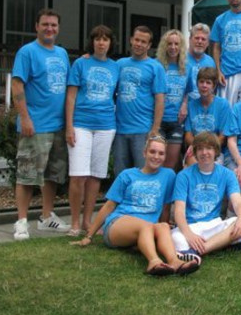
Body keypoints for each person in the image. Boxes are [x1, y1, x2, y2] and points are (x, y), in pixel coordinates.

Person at [72, 136, 200, 276]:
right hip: (118, 223)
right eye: (152, 152)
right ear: (144, 153)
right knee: (146, 225)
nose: (156, 156)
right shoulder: (127, 175)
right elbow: (109, 206)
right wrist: (89, 236)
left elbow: (166, 207)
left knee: (163, 226)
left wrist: (163, 227)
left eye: (161, 153)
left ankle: (175, 262)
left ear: (165, 157)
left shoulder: (168, 175)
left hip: (147, 228)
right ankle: (154, 262)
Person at [11, 8, 70, 240]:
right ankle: (22, 221)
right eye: (45, 24)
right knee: (27, 175)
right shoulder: (27, 52)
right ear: (37, 26)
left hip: (58, 126)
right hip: (35, 125)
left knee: (52, 175)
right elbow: (17, 85)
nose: (49, 29)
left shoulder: (62, 54)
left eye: (54, 25)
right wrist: (25, 118)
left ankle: (46, 217)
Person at [65, 25, 120, 236]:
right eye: (97, 39)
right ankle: (75, 222)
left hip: (106, 125)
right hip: (81, 124)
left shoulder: (116, 67)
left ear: (110, 43)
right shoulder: (81, 63)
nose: (101, 42)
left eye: (105, 39)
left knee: (96, 175)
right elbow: (70, 96)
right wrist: (69, 126)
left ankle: (88, 221)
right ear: (92, 42)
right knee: (78, 175)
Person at [171, 132, 241, 256]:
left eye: (209, 148)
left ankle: (199, 250)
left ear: (216, 151)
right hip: (192, 226)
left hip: (214, 224)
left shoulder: (227, 174)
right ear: (195, 152)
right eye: (200, 149)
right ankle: (226, 242)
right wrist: (189, 234)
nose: (204, 152)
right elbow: (179, 212)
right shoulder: (183, 176)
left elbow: (238, 203)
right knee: (176, 237)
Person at [112, 26, 166, 176]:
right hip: (120, 129)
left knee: (143, 174)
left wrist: (155, 129)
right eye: (137, 40)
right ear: (131, 40)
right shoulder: (119, 64)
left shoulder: (155, 67)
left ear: (149, 45)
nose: (139, 44)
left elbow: (160, 100)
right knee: (120, 175)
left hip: (143, 130)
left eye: (143, 42)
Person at [184, 67, 231, 165]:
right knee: (192, 163)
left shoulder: (223, 105)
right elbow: (188, 135)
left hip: (215, 150)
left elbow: (222, 136)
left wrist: (207, 149)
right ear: (197, 84)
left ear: (214, 86)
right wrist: (198, 148)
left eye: (208, 83)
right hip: (195, 148)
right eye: (201, 82)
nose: (204, 85)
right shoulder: (191, 105)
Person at [156, 29, 189, 169]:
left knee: (170, 165)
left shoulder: (187, 68)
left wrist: (185, 104)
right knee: (156, 163)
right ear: (164, 46)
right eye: (169, 44)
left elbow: (188, 90)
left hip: (176, 122)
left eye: (176, 44)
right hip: (158, 121)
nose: (173, 47)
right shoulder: (156, 66)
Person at [186, 23, 216, 101]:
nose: (200, 41)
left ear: (208, 43)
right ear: (190, 39)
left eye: (203, 39)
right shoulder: (181, 59)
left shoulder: (211, 62)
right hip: (184, 108)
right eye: (197, 38)